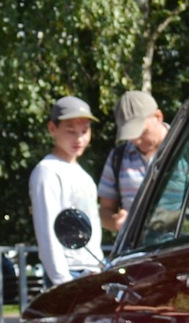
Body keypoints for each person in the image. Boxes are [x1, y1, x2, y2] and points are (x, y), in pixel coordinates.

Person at [29, 95, 103, 285]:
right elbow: (47, 232)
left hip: (92, 269)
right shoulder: (47, 172)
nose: (79, 138)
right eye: (70, 131)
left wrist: (99, 265)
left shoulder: (83, 175)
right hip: (69, 273)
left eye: (85, 131)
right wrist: (62, 282)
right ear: (52, 128)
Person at [96, 90, 168, 233]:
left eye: (142, 132)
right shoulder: (118, 156)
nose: (136, 140)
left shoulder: (188, 149)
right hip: (136, 249)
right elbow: (105, 210)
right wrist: (115, 222)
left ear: (158, 117)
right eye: (130, 135)